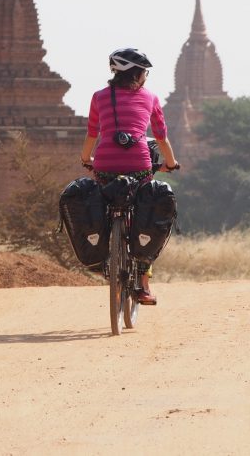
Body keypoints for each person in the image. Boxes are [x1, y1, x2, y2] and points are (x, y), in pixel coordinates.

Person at [79, 47, 180, 305]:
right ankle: (143, 285)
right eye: (145, 72)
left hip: (104, 165)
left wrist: (86, 160)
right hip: (140, 164)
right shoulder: (151, 98)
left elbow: (92, 134)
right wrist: (171, 163)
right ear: (138, 73)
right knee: (143, 212)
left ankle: (103, 251)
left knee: (104, 200)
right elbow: (160, 137)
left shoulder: (99, 97)